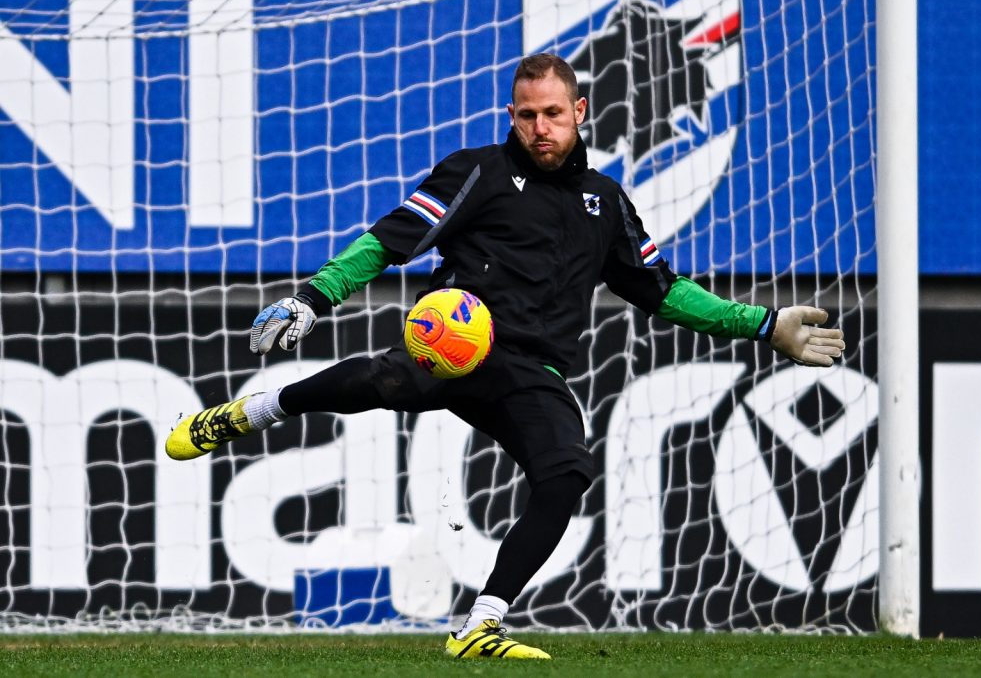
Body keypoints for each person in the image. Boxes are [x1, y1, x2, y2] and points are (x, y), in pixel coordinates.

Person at [166, 53, 845, 659]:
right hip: (454, 343)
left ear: (580, 111)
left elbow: (662, 292)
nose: (540, 128)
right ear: (510, 115)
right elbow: (389, 240)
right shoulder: (478, 171)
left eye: (553, 114)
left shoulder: (605, 202)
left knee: (565, 475)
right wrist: (314, 298)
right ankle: (253, 412)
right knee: (381, 376)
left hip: (534, 373)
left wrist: (763, 326)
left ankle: (480, 625)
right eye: (527, 115)